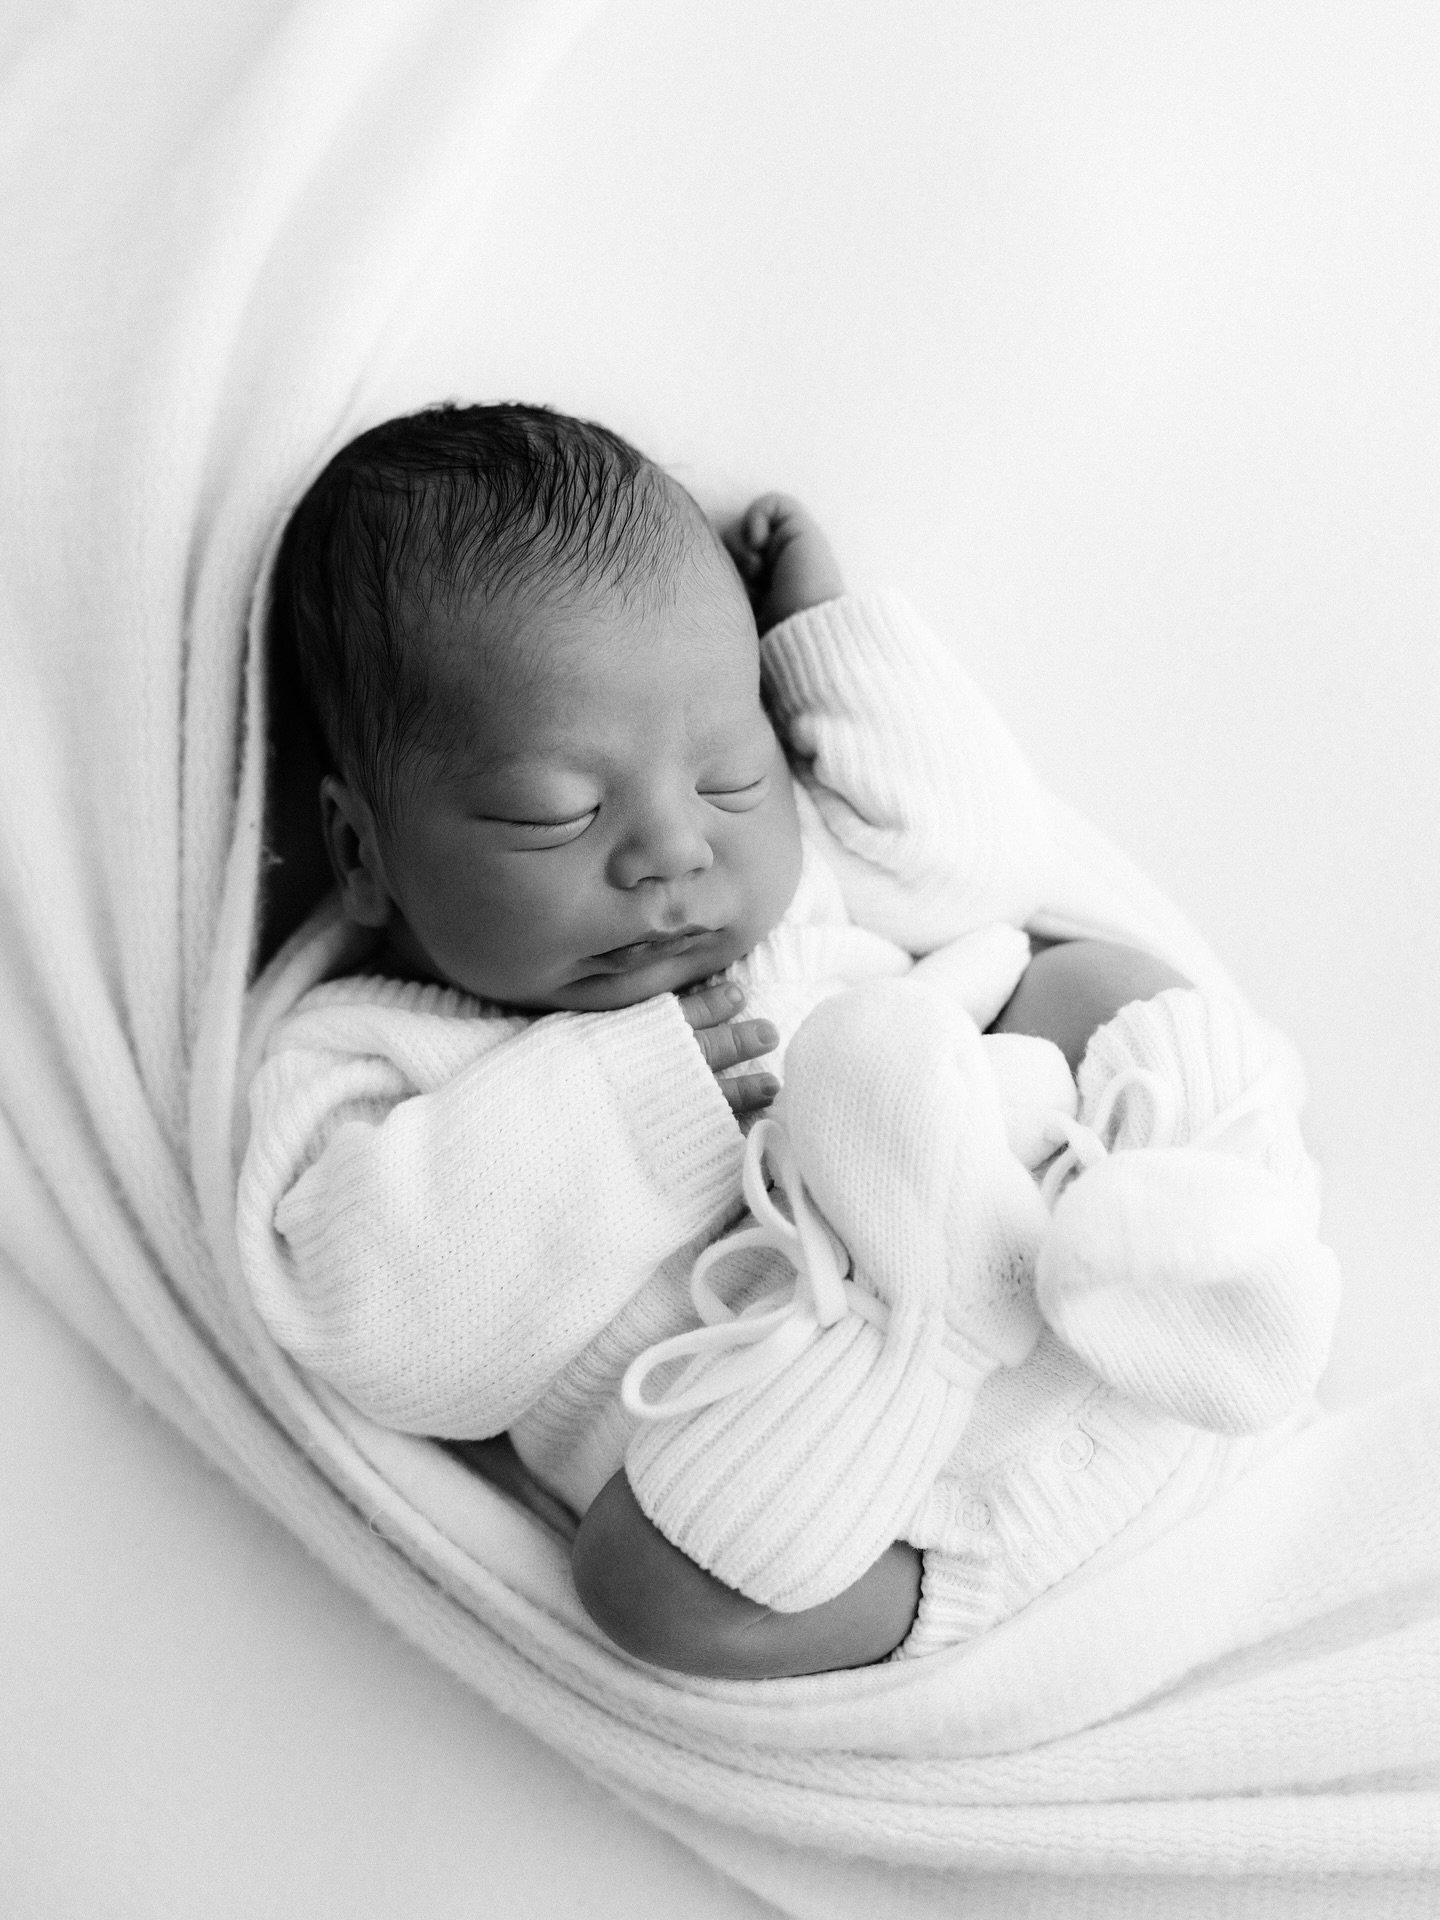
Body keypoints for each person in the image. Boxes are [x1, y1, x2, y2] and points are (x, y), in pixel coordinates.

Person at [238, 402, 1340, 1679]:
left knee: (1101, 985)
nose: (673, 849)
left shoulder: (805, 881)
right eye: (558, 813)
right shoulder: (368, 1058)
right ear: (362, 849)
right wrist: (638, 1096)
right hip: (883, 1511)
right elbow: (376, 1328)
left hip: (1092, 1300)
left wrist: (821, 642)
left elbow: (981, 862)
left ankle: (1196, 1248)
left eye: (728, 778)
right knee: (641, 1590)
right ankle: (934, 1402)